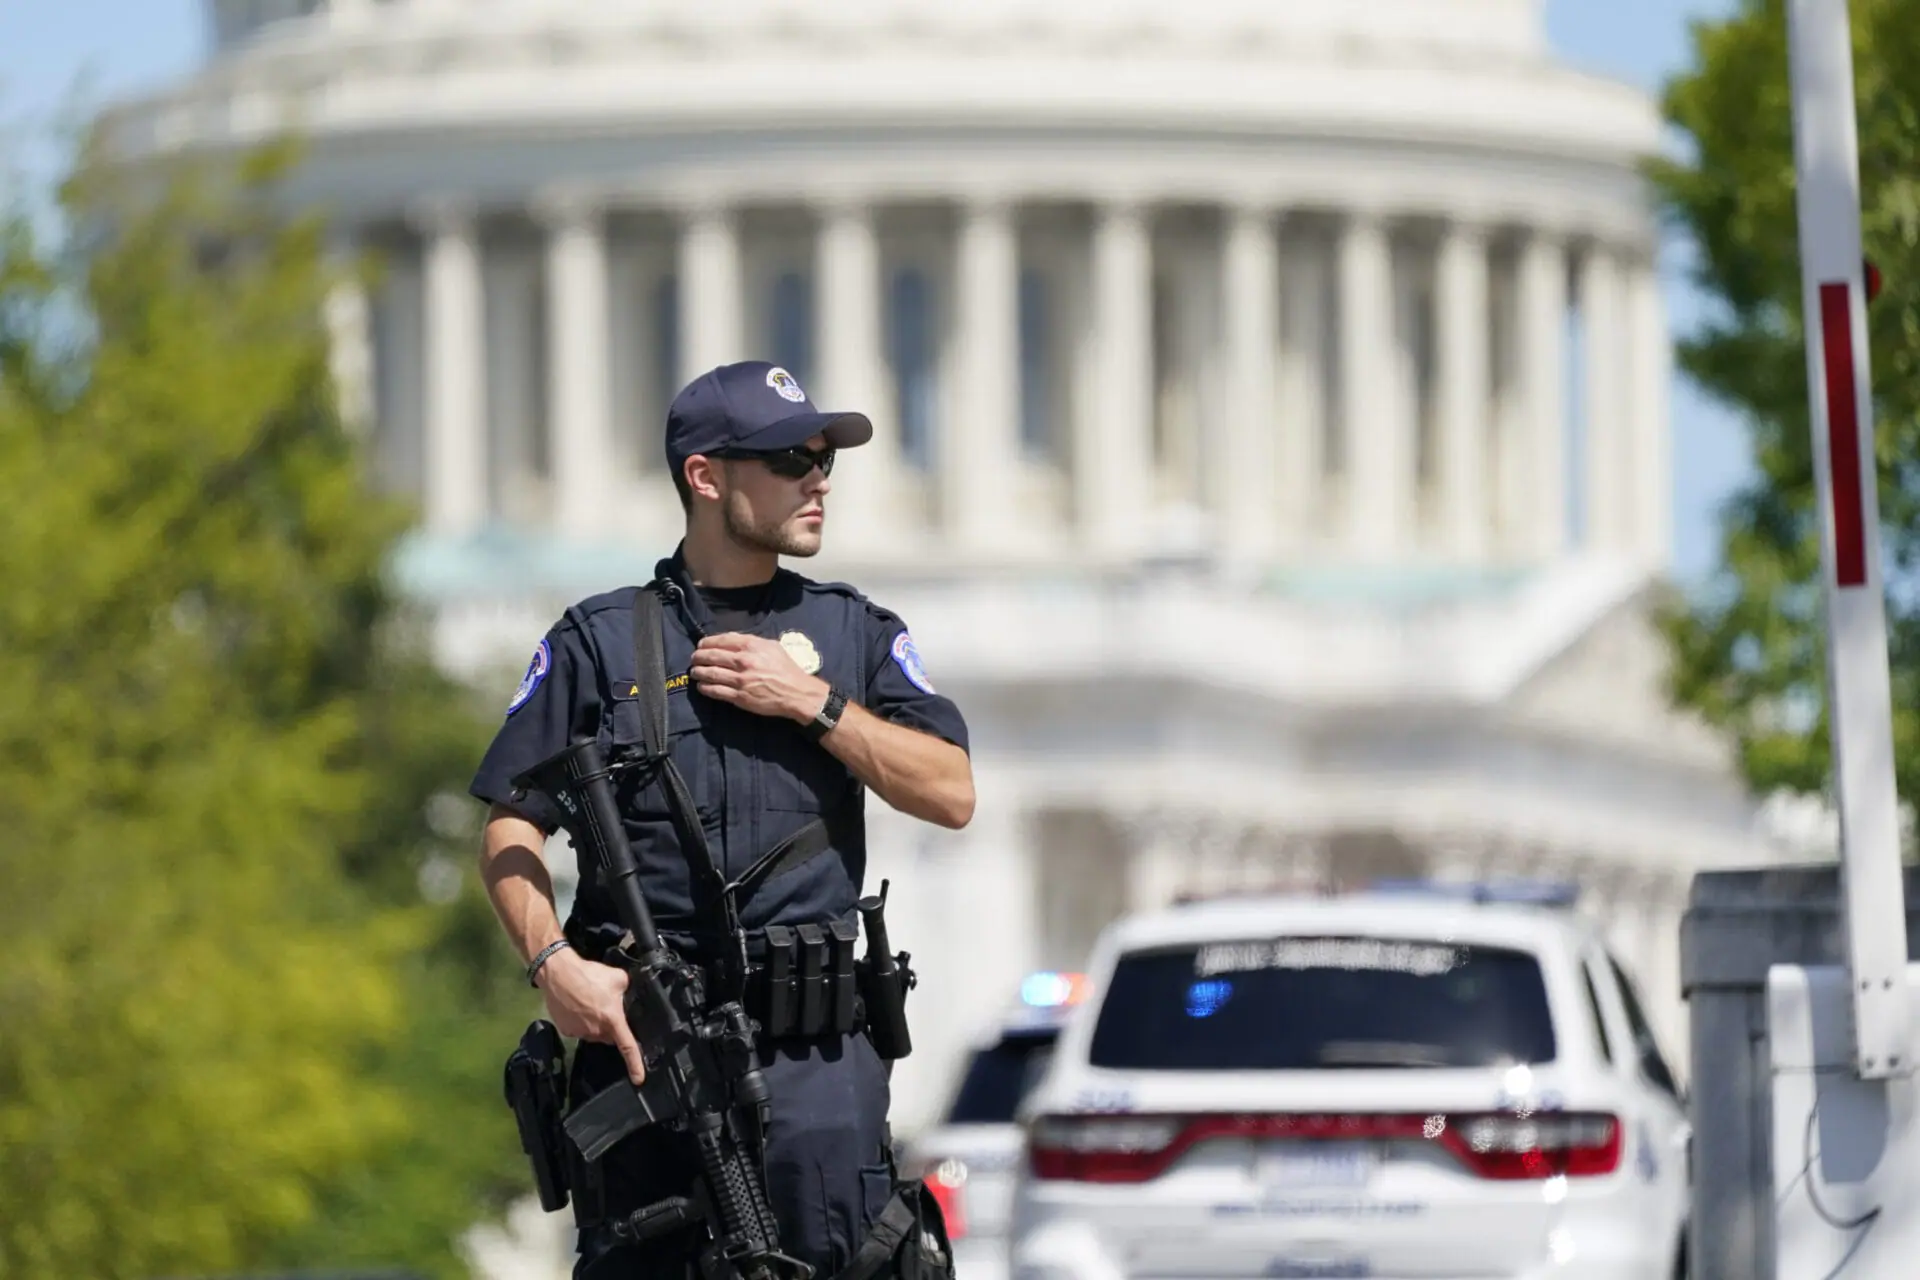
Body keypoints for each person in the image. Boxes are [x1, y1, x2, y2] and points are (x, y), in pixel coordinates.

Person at [470, 360, 975, 1279]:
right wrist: (553, 966)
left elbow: (950, 792)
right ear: (706, 477)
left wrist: (814, 704)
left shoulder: (853, 634)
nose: (818, 477)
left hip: (816, 1072)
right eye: (790, 458)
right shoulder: (599, 642)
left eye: (824, 457)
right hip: (647, 1061)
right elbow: (510, 831)